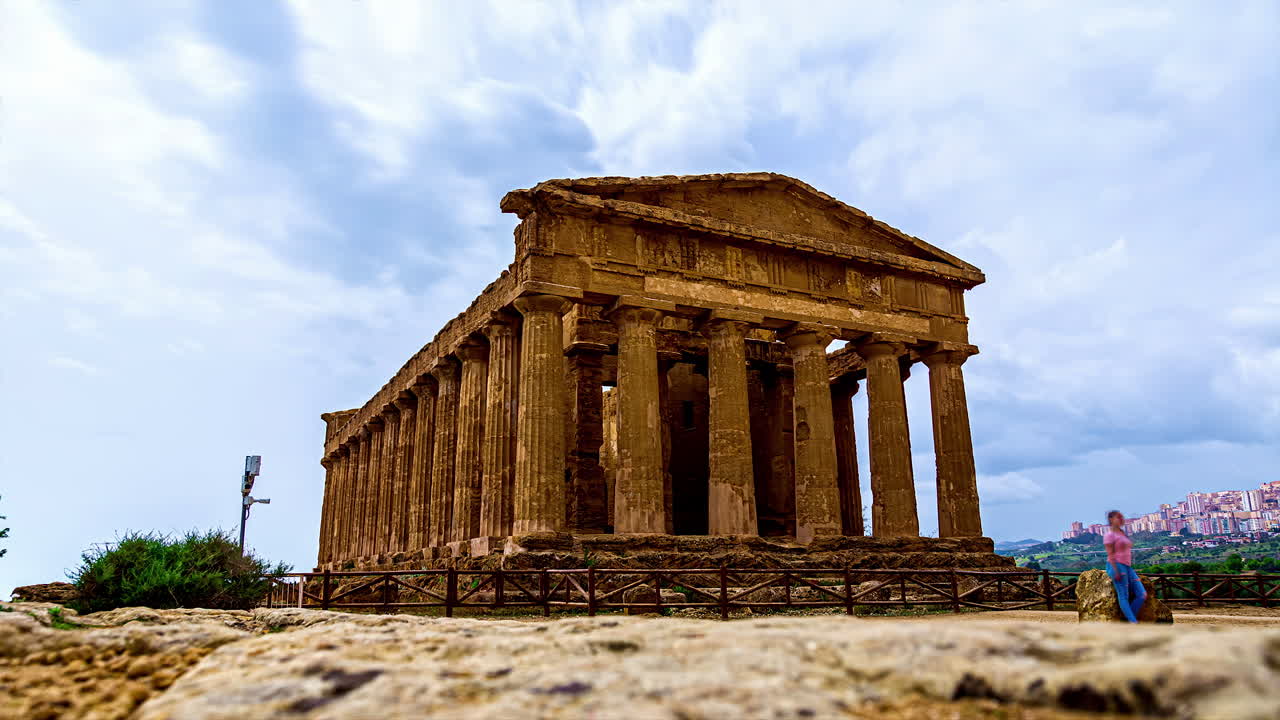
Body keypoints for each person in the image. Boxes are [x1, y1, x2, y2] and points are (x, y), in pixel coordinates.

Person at [1103, 510, 1146, 623]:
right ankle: (1133, 622)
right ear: (1111, 519)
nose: (1122, 519)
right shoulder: (1109, 535)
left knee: (1142, 594)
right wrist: (1116, 571)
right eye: (1119, 517)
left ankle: (1129, 620)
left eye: (1122, 517)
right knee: (1124, 596)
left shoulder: (1122, 533)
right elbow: (1110, 554)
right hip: (1116, 565)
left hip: (1127, 566)